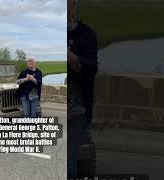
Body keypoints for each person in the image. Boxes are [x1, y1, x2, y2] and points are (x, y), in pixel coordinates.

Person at [67, 0, 98, 178]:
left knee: (67, 162)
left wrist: (72, 58)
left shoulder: (86, 35)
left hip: (75, 109)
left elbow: (91, 69)